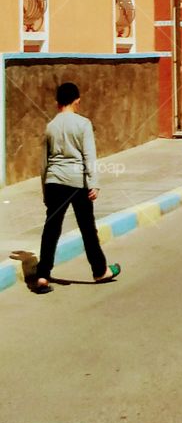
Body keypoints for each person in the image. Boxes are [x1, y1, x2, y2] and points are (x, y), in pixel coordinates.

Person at [34, 82, 120, 294]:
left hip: (54, 181)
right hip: (77, 183)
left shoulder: (50, 126)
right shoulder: (83, 124)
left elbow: (43, 162)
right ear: (77, 101)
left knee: (51, 229)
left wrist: (46, 190)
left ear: (57, 103)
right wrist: (94, 183)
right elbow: (88, 155)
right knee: (87, 229)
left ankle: (43, 276)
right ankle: (100, 271)